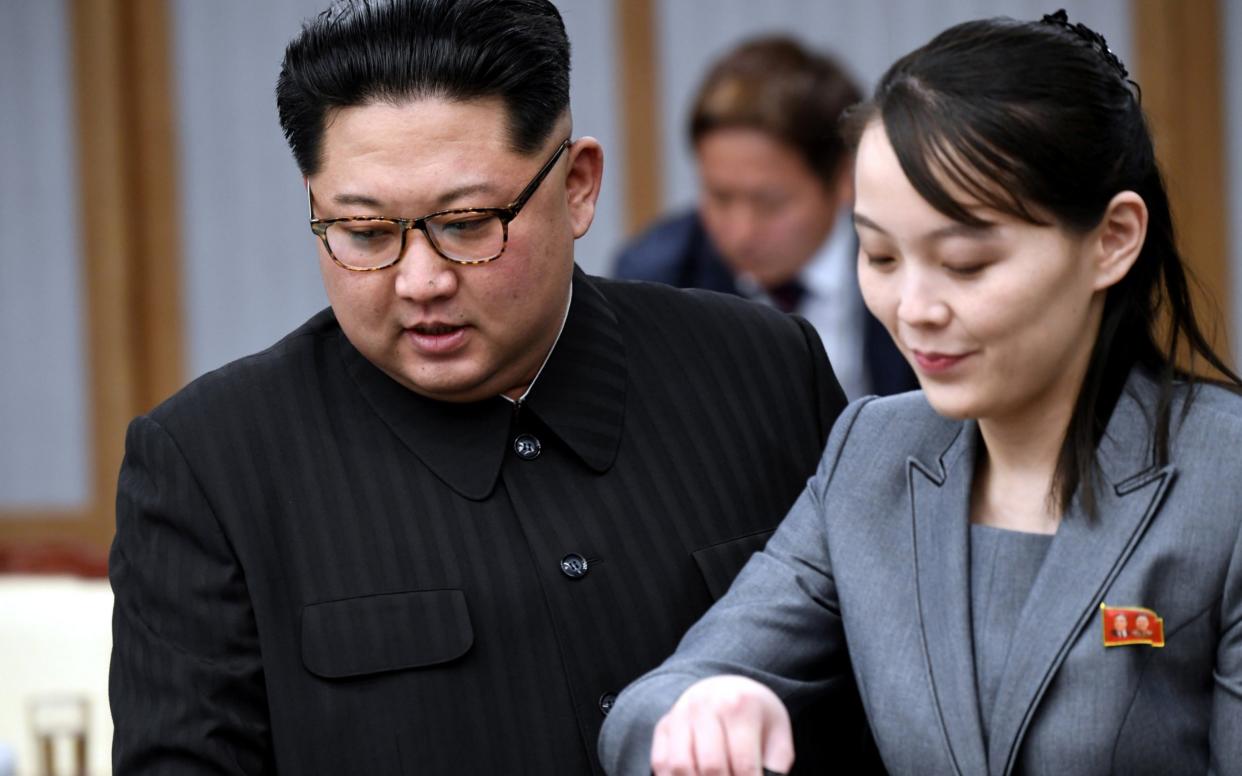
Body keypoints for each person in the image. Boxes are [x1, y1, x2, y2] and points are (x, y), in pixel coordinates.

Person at [106, 0, 869, 773]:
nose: (421, 280)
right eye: (365, 233)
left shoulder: (762, 370)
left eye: (468, 224)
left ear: (577, 186)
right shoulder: (212, 464)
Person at [600, 11, 1242, 775]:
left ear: (1112, 239)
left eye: (966, 263)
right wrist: (701, 708)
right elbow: (652, 707)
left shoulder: (1221, 480)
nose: (915, 308)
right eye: (879, 254)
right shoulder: (873, 452)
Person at [613, 36, 915, 400]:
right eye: (720, 198)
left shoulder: (912, 263)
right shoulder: (657, 280)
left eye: (770, 203)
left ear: (843, 179)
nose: (740, 233)